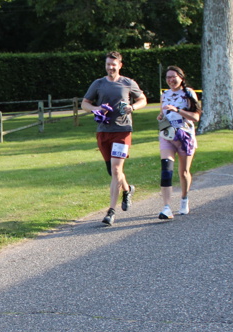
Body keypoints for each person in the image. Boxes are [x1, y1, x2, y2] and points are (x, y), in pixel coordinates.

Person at [81, 51, 148, 224]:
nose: (110, 67)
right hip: (104, 131)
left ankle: (111, 211)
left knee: (117, 170)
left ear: (120, 65)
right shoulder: (98, 83)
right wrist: (96, 109)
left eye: (113, 64)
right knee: (112, 171)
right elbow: (84, 103)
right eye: (108, 64)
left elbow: (143, 99)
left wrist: (133, 107)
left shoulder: (128, 83)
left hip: (122, 131)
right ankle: (127, 189)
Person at [155, 66, 201, 219]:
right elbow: (163, 113)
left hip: (185, 136)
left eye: (173, 77)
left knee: (184, 172)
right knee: (166, 169)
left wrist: (177, 110)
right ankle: (166, 207)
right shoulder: (164, 95)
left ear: (181, 77)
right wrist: (161, 117)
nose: (170, 80)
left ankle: (184, 199)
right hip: (167, 135)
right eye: (168, 77)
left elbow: (196, 117)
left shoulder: (188, 94)